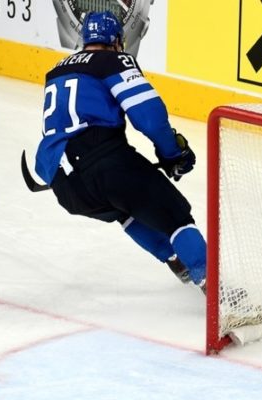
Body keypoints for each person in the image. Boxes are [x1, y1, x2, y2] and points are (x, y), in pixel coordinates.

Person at [34, 10, 207, 292]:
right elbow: (149, 117)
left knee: (125, 210)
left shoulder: (57, 70)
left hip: (64, 183)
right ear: (115, 40)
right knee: (176, 216)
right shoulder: (113, 61)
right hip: (102, 162)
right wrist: (172, 153)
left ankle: (177, 260)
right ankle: (218, 290)